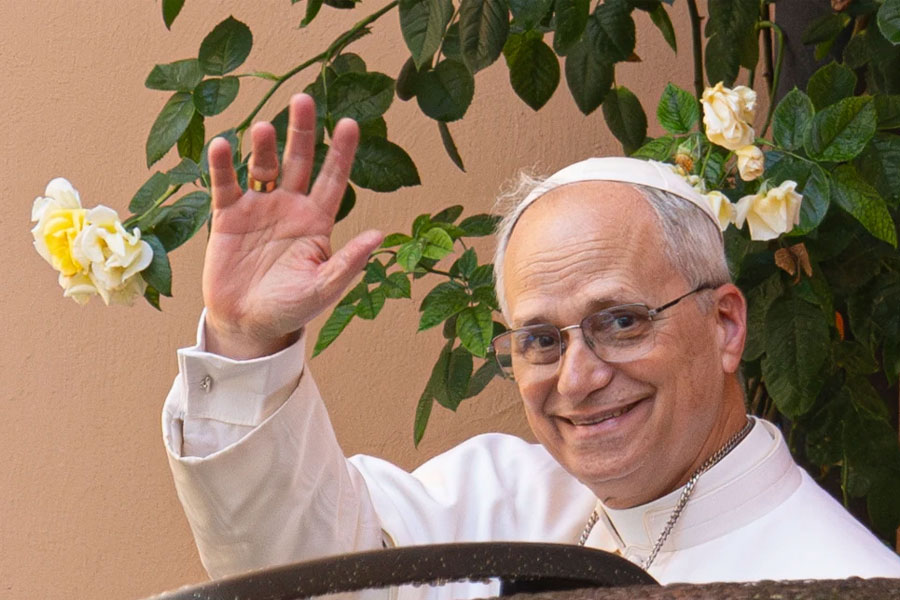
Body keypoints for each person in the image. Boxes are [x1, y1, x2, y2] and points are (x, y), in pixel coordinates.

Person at [162, 94, 900, 597]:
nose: (577, 379)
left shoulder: (840, 578)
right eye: (541, 339)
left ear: (725, 326)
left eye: (621, 322)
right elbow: (306, 574)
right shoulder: (499, 500)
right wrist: (247, 341)